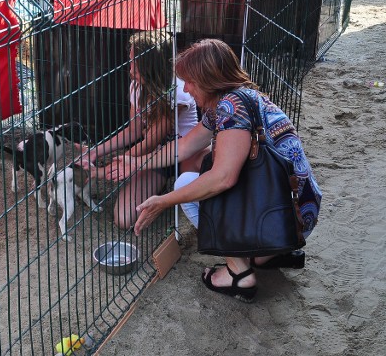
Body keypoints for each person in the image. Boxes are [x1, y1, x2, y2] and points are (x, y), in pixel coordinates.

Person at [108, 39, 322, 302]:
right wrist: (135, 163)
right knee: (206, 164)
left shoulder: (231, 109)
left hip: (288, 217)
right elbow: (184, 146)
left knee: (190, 181)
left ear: (208, 80)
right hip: (296, 210)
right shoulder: (236, 98)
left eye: (190, 81)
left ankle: (239, 275)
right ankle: (267, 254)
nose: (185, 88)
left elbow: (223, 178)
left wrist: (162, 201)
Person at [78, 30, 204, 230]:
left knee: (193, 196)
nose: (130, 71)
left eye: (135, 67)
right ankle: (162, 186)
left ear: (152, 68)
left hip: (184, 155)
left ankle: (172, 194)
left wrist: (106, 170)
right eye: (130, 63)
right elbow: (133, 132)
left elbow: (151, 140)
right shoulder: (137, 87)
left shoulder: (178, 92)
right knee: (124, 219)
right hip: (155, 157)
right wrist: (95, 152)